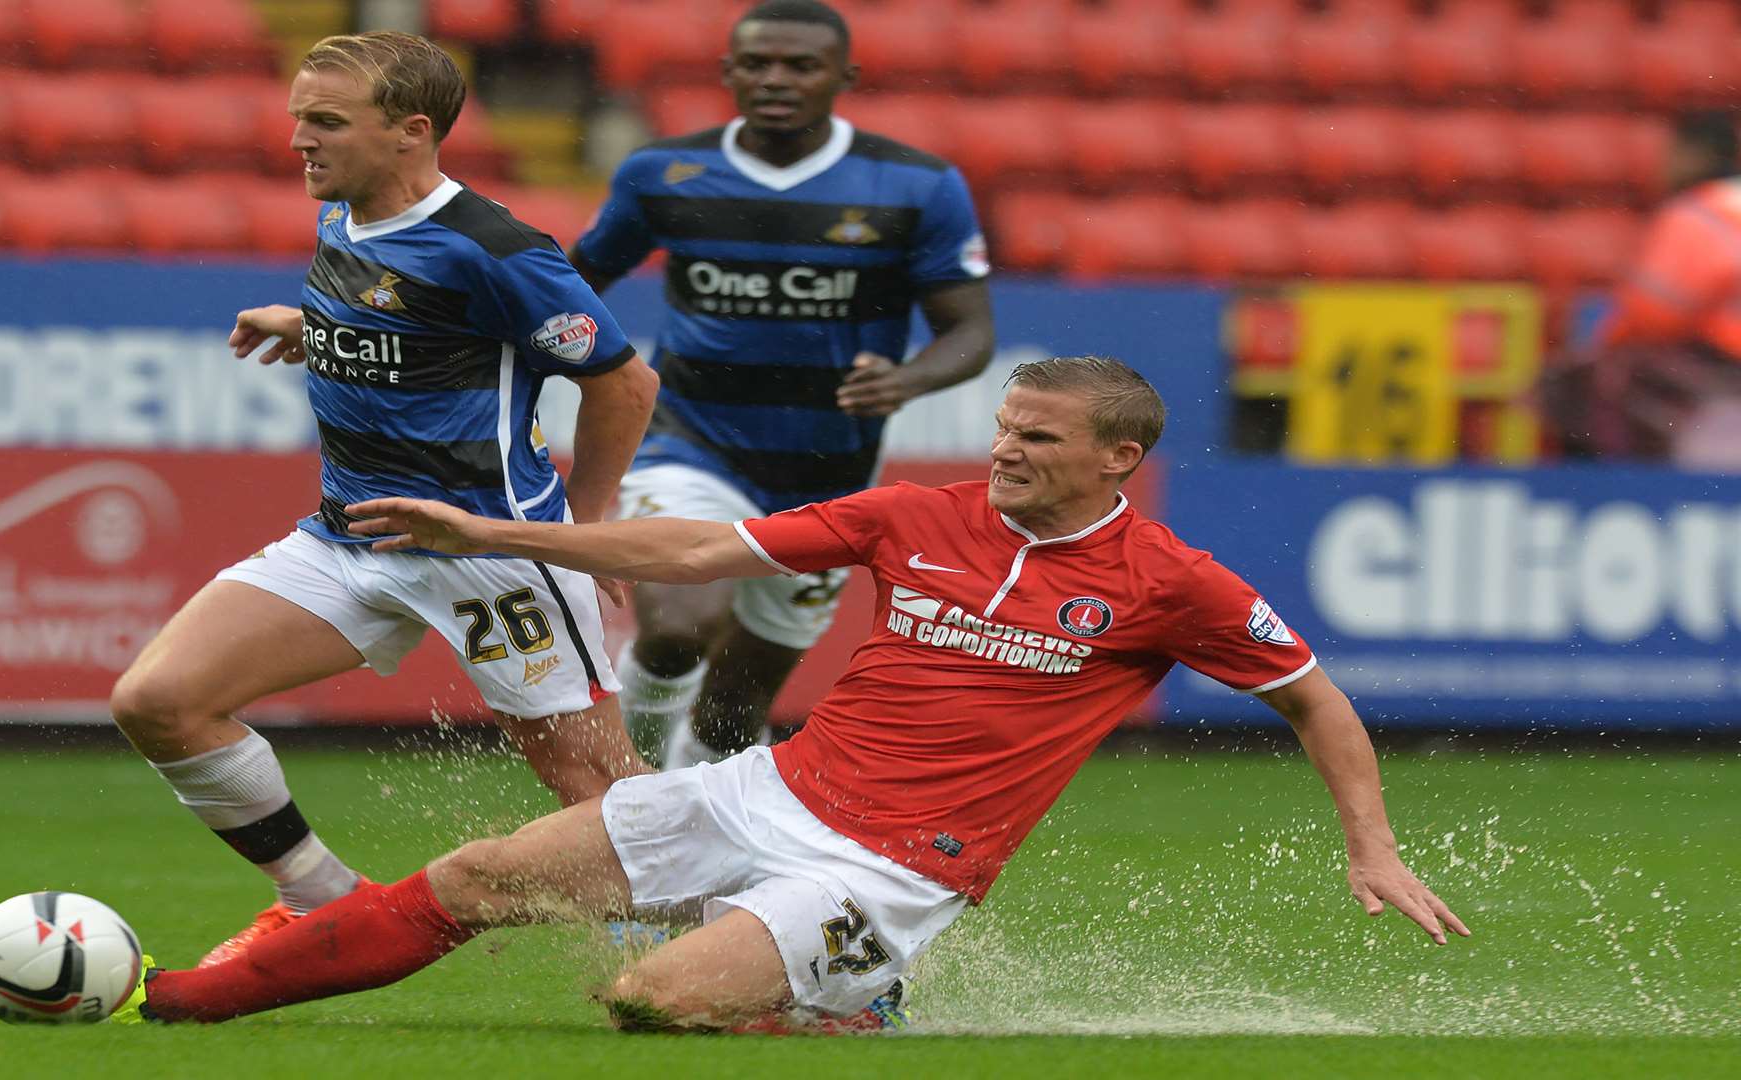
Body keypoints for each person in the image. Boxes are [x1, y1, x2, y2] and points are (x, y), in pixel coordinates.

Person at [114, 356, 1468, 1032]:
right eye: (1002, 430)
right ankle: (158, 1007)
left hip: (894, 865)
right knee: (474, 877)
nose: (1005, 454)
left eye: (1038, 442)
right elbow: (698, 548)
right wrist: (511, 537)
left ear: (1117, 459)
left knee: (648, 1005)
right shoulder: (917, 512)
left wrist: (1371, 843)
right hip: (767, 789)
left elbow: (1315, 699)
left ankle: (847, 990)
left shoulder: (1176, 583)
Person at [107, 31, 661, 968]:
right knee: (160, 700)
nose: (298, 142)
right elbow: (407, 319)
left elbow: (622, 383)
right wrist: (314, 325)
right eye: (298, 120)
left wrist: (593, 529)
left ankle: (787, 952)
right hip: (349, 537)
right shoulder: (344, 216)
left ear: (410, 133)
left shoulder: (496, 250)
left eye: (325, 123)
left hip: (490, 554)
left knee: (601, 796)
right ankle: (322, 902)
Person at [567, 0, 996, 768]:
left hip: (828, 477)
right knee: (672, 631)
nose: (776, 79)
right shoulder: (662, 174)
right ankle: (623, 801)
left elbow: (969, 332)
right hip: (692, 443)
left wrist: (905, 380)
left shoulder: (916, 186)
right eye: (758, 63)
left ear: (843, 76)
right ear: (729, 72)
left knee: (736, 713)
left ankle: (692, 825)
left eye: (800, 65)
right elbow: (566, 286)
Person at [1546, 110, 1741, 466]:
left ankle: (1603, 496)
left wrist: (1609, 345)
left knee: (1577, 384)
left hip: (1722, 365)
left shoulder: (1694, 215)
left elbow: (1653, 315)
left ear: (1691, 154)